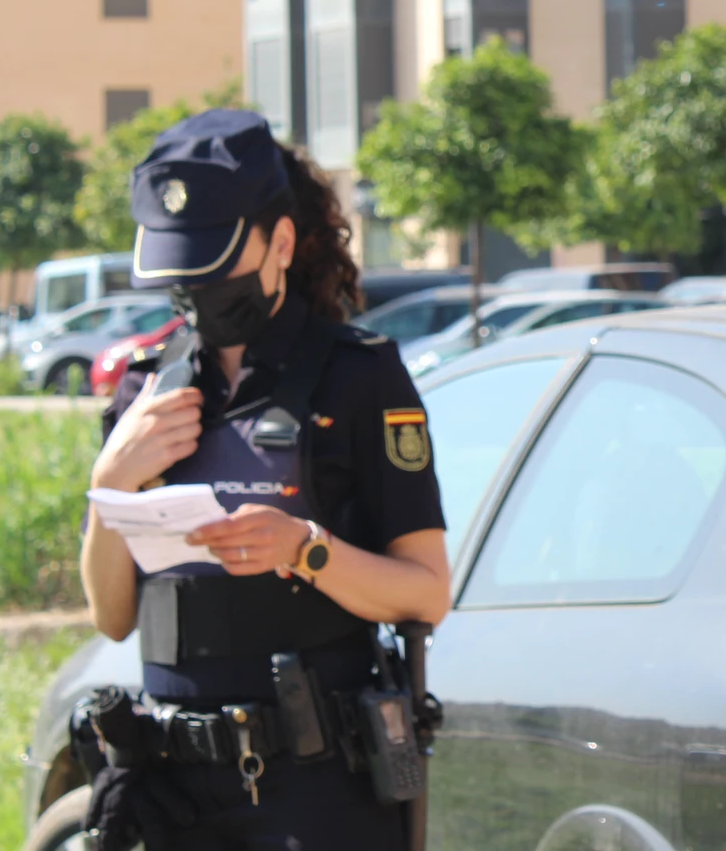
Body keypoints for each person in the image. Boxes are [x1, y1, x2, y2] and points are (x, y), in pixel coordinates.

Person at [78, 109, 451, 851]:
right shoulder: (145, 389)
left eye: (217, 266)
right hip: (176, 791)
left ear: (280, 241)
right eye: (183, 273)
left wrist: (305, 549)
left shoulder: (360, 375)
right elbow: (111, 616)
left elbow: (427, 591)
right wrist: (111, 478)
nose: (199, 291)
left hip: (313, 793)